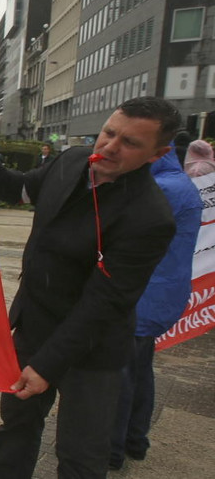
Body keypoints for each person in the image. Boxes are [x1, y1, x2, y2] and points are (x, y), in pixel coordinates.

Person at [0, 96, 179, 479]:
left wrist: (46, 365)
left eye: (130, 143)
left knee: (81, 455)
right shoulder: (73, 160)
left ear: (156, 154)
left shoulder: (150, 217)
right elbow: (24, 191)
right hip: (33, 327)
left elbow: (106, 301)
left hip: (92, 347)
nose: (110, 147)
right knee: (15, 429)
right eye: (109, 133)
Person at [108, 142, 201, 470]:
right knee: (139, 369)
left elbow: (115, 229)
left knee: (119, 374)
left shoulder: (161, 188)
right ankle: (135, 439)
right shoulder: (178, 183)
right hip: (159, 294)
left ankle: (113, 449)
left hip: (145, 294)